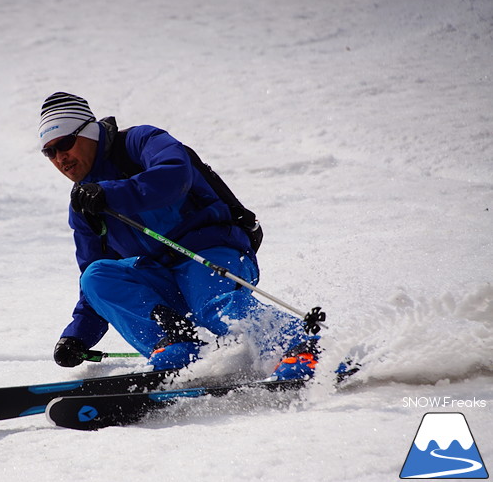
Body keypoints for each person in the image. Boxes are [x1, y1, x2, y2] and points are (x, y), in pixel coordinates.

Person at [39, 92, 319, 379]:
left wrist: (112, 193)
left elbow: (174, 176)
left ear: (88, 133)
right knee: (96, 276)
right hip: (162, 277)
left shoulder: (140, 142)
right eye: (50, 152)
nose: (61, 158)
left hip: (210, 251)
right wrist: (78, 336)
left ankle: (300, 344)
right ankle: (178, 347)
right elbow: (96, 277)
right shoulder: (84, 204)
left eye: (65, 144)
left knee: (214, 305)